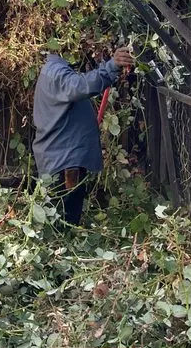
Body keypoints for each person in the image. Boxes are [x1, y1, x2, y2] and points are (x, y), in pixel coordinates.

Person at [32, 47, 134, 226]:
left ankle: (62, 245)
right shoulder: (57, 72)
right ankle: (61, 247)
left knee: (62, 219)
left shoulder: (55, 69)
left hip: (63, 158)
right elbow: (80, 86)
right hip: (64, 162)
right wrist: (111, 66)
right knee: (62, 223)